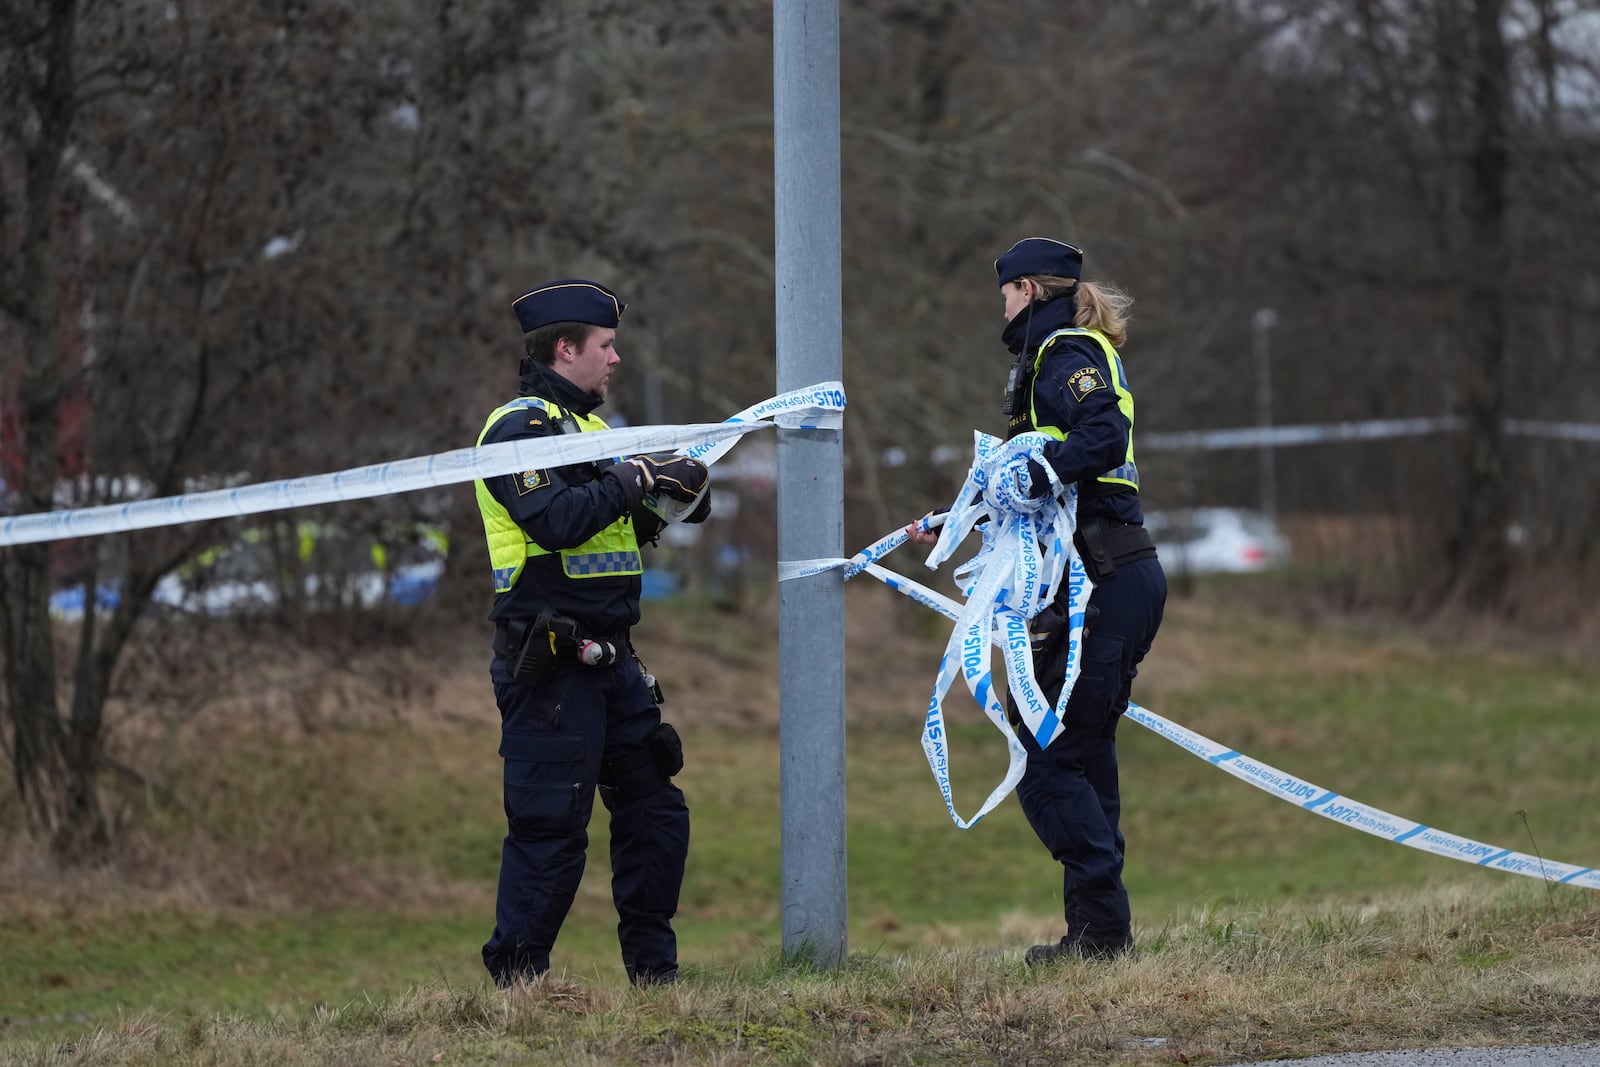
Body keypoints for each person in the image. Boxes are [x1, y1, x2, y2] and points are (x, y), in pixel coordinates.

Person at [908, 237, 1166, 963]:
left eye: (1005, 293)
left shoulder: (1063, 353)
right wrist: (970, 509)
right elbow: (1045, 482)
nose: (1002, 306)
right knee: (1081, 755)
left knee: (1046, 756)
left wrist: (1040, 469)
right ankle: (1101, 935)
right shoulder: (1054, 354)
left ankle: (1102, 933)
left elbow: (1102, 436)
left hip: (1109, 580)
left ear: (1026, 289)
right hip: (1107, 583)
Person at [474, 278, 710, 987]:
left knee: (657, 814)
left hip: (615, 662)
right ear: (566, 347)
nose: (615, 360)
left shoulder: (600, 434)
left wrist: (680, 489)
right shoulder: (516, 430)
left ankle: (655, 976)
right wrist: (636, 477)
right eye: (605, 347)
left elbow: (623, 527)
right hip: (549, 664)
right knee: (550, 830)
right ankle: (519, 988)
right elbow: (556, 521)